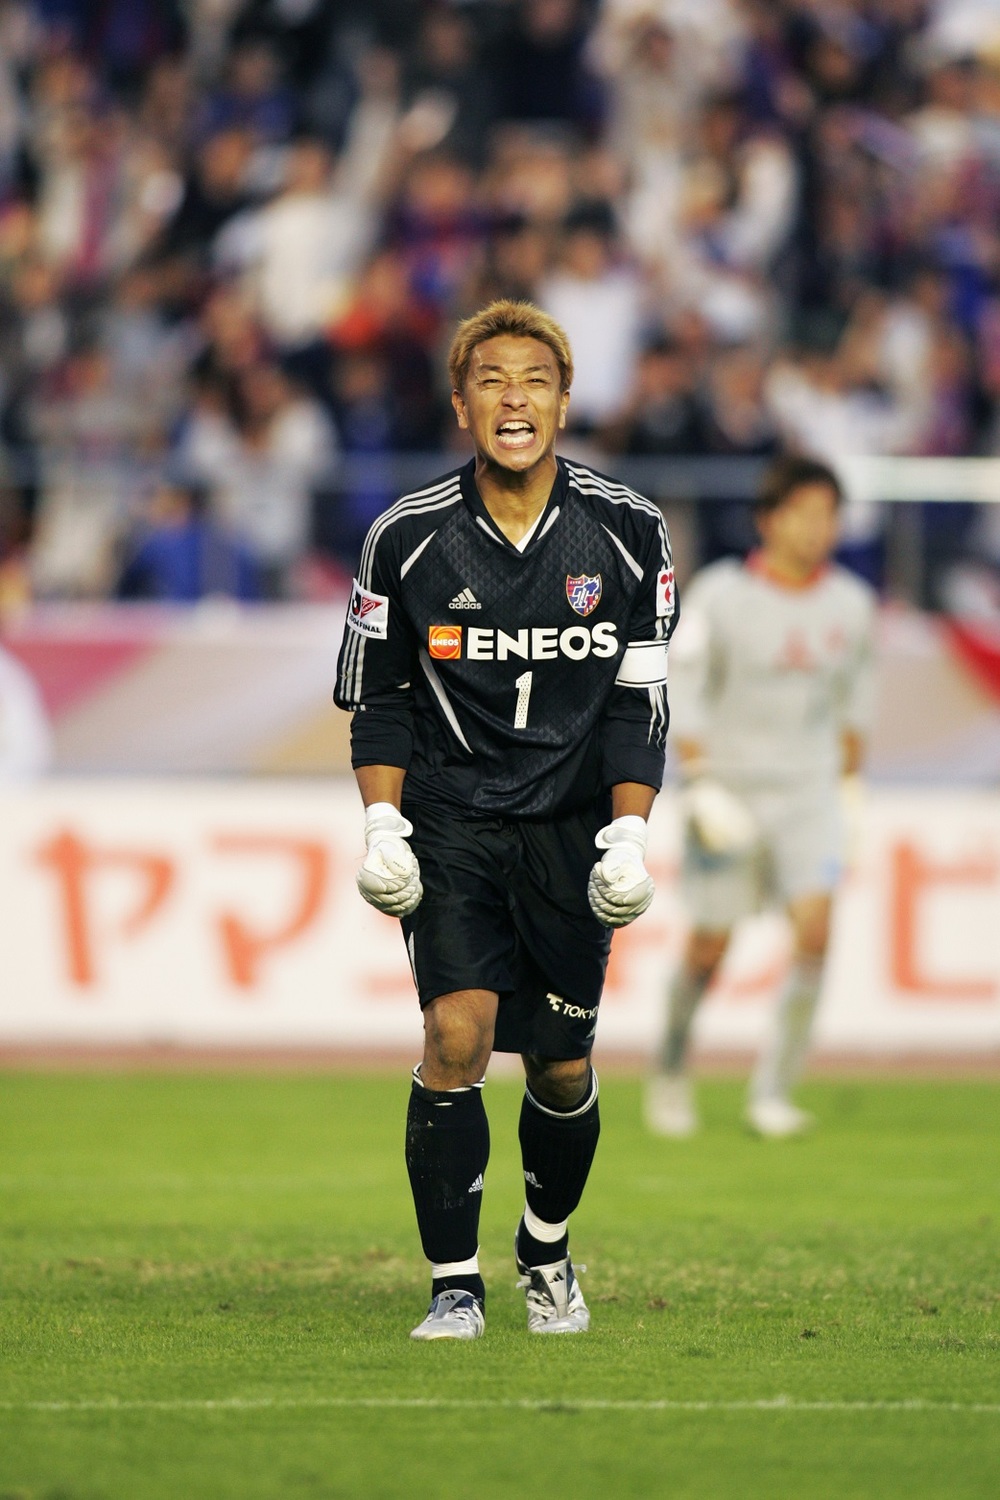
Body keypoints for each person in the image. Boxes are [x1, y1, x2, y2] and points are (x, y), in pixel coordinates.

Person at [333, 298, 675, 1340]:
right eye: (491, 381)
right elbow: (379, 699)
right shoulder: (405, 537)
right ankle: (454, 1284)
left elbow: (637, 702)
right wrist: (383, 826)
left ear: (564, 402)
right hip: (453, 818)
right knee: (456, 1034)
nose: (513, 398)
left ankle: (545, 1251)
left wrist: (629, 834)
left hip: (572, 826)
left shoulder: (630, 531)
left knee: (561, 1065)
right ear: (460, 405)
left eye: (534, 380)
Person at [645, 455, 876, 1140]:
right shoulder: (720, 595)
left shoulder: (852, 605)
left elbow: (854, 709)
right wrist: (700, 783)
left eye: (828, 515)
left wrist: (849, 792)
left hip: (809, 793)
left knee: (817, 932)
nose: (818, 529)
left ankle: (773, 1091)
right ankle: (670, 1068)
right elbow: (685, 688)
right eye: (804, 513)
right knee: (709, 947)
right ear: (768, 520)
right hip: (731, 789)